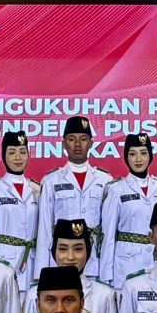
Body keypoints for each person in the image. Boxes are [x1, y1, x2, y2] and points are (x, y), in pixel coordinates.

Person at [23, 219, 119, 313]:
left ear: (88, 252)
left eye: (78, 249)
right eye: (63, 249)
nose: (70, 257)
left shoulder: (104, 296)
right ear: (54, 251)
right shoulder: (33, 294)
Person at [37, 115, 112, 277]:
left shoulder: (105, 180)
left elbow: (109, 231)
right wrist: (42, 271)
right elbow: (44, 229)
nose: (77, 144)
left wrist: (107, 272)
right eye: (72, 139)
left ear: (91, 143)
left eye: (83, 139)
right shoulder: (51, 180)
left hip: (95, 260)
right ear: (64, 144)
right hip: (62, 258)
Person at [101, 132, 157, 287]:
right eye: (132, 154)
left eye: (143, 153)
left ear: (150, 156)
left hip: (155, 262)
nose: (138, 159)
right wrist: (106, 278)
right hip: (125, 265)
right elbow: (108, 236)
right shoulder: (116, 189)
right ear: (126, 157)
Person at [0, 128, 42, 291]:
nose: (18, 157)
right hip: (3, 261)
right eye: (12, 152)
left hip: (32, 262)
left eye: (22, 152)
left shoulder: (37, 190)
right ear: (3, 155)